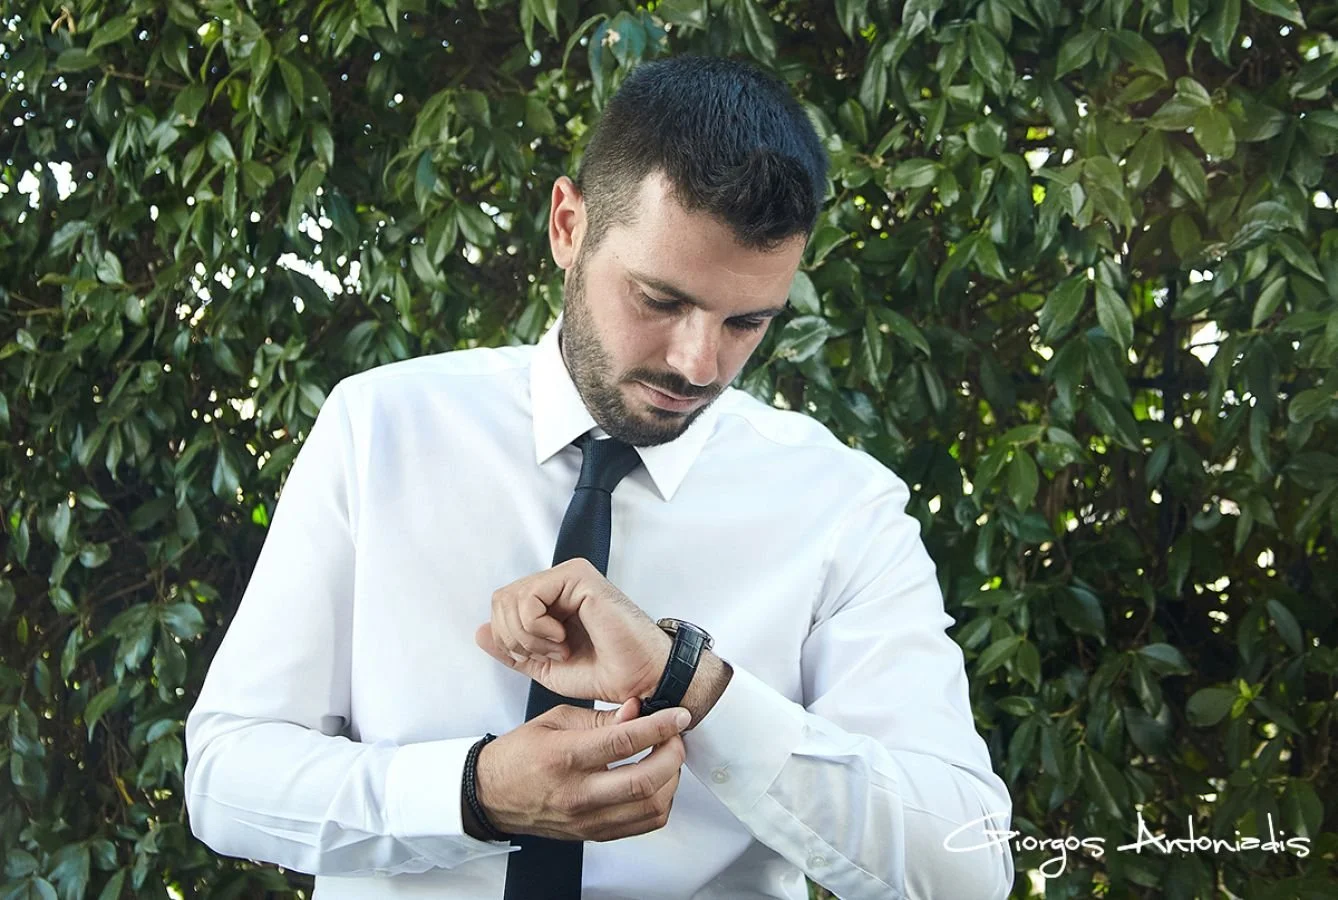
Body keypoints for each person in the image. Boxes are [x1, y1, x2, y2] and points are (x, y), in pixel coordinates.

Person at [184, 54, 1014, 899]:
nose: (698, 363)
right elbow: (225, 779)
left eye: (748, 322)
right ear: (568, 226)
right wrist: (474, 793)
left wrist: (691, 682)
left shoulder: (843, 508)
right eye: (660, 300)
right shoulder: (380, 430)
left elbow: (967, 867)